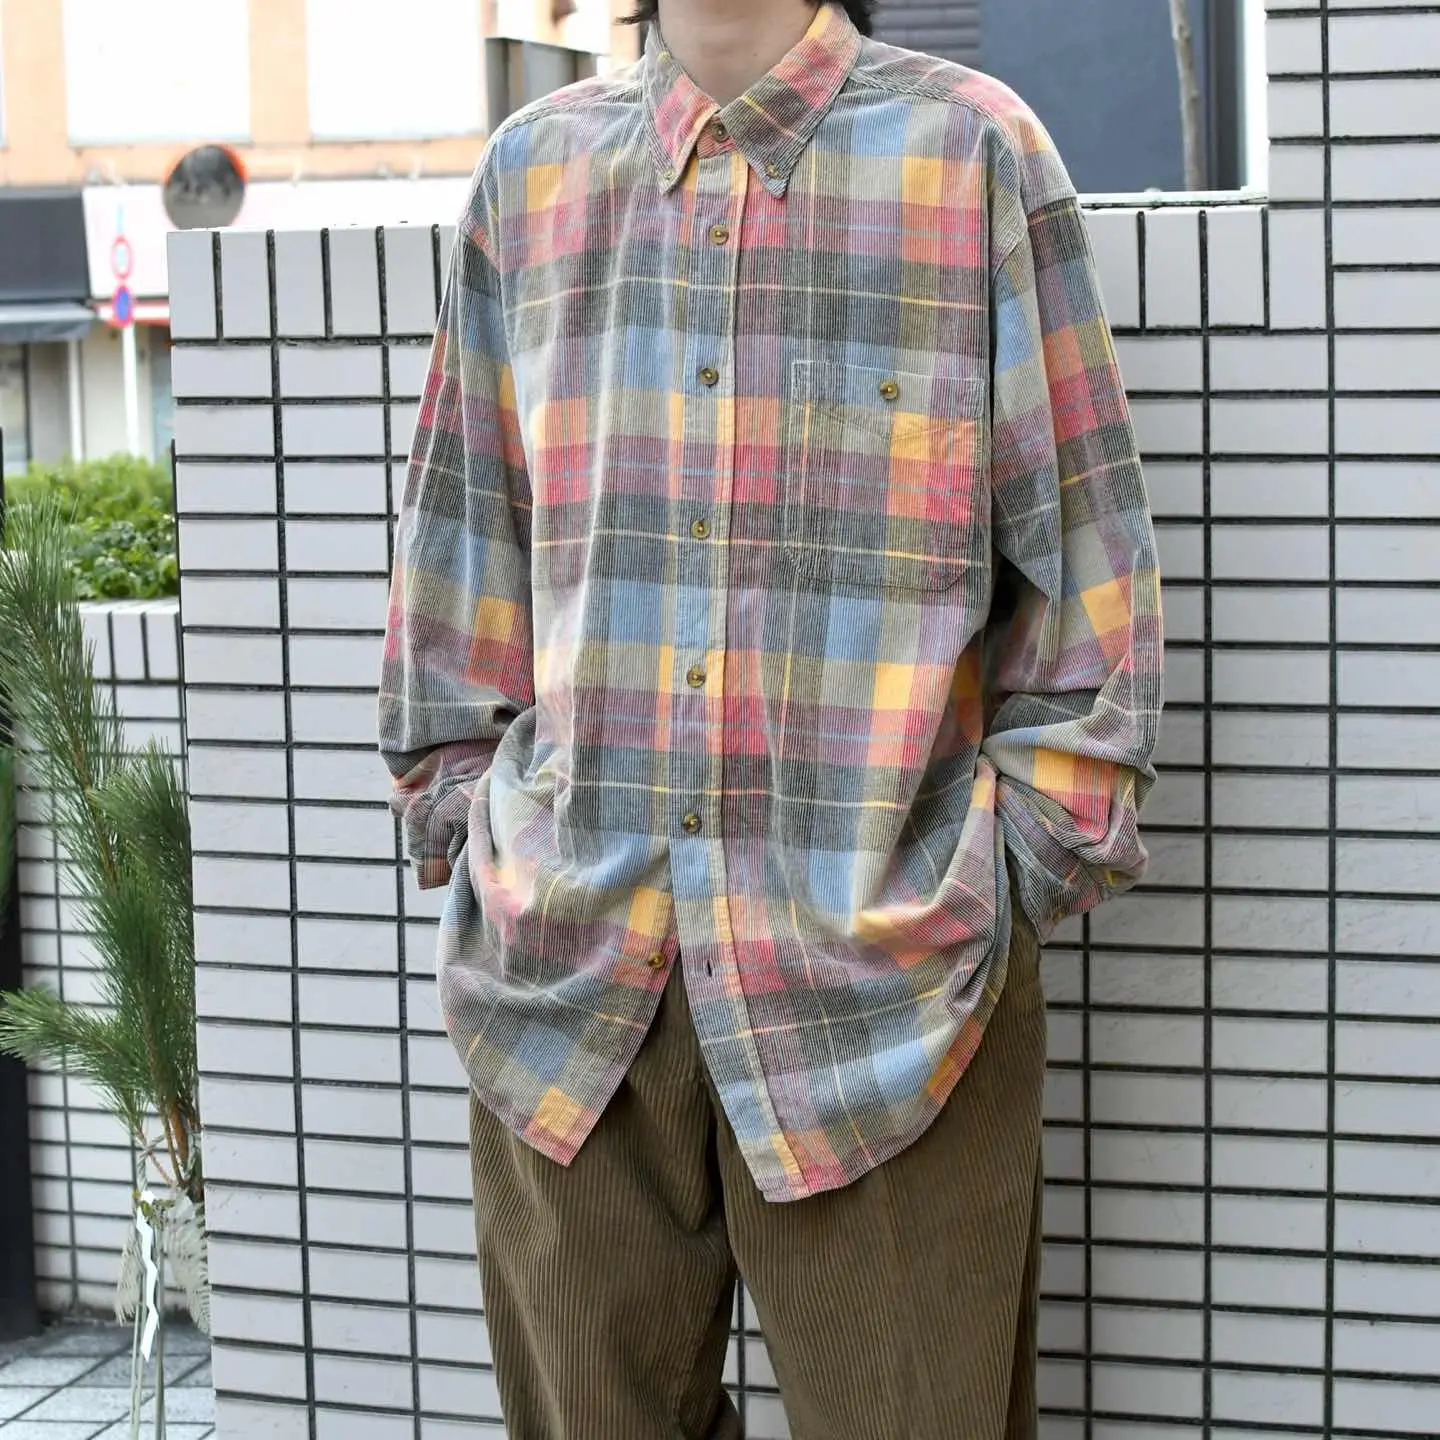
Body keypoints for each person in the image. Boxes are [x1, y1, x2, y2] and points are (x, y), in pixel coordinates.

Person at [378, 0, 1162, 1434]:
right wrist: (470, 811)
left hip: (892, 995)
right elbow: (462, 549)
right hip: (575, 993)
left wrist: (1005, 870)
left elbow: (1088, 576)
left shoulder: (969, 151)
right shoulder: (532, 174)